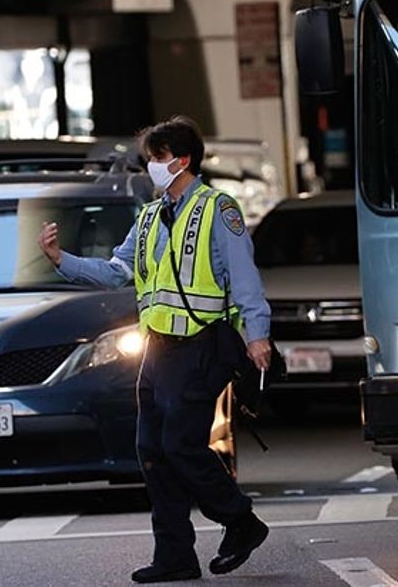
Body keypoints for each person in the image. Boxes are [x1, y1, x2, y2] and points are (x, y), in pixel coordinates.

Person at [38, 116, 272, 583]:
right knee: (151, 450)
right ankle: (175, 556)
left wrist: (257, 335)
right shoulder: (148, 217)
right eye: (150, 158)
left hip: (201, 344)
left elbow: (244, 279)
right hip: (157, 350)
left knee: (180, 445)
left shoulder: (217, 210)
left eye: (158, 158)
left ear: (183, 160)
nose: (151, 166)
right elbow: (116, 271)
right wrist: (62, 261)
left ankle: (241, 521)